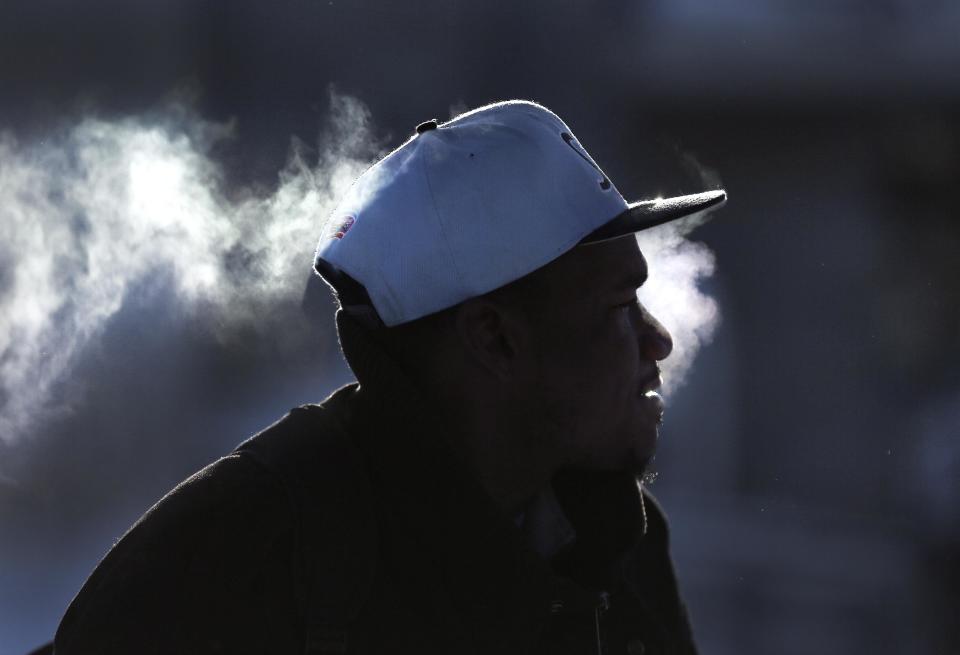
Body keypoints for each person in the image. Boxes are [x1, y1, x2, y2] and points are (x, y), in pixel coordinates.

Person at [53, 100, 726, 655]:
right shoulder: (242, 557)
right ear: (495, 338)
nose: (659, 339)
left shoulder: (617, 542)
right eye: (618, 305)